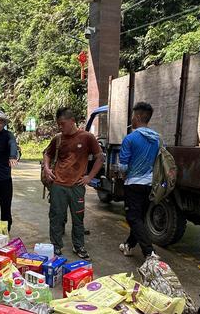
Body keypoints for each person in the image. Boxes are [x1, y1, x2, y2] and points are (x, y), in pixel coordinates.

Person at [42, 107, 103, 259]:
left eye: (62, 123)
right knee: (56, 217)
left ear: (72, 121)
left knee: (78, 218)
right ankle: (56, 247)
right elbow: (47, 154)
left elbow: (100, 158)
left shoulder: (87, 137)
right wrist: (47, 169)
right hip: (58, 185)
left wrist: (89, 177)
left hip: (77, 186)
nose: (60, 127)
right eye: (58, 124)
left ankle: (79, 246)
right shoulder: (58, 138)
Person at [117, 101, 160, 258]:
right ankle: (128, 245)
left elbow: (123, 166)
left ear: (139, 116)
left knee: (133, 218)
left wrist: (122, 176)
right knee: (139, 218)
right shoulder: (157, 139)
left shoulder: (130, 138)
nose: (131, 120)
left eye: (133, 116)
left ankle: (149, 252)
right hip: (150, 184)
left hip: (133, 184)